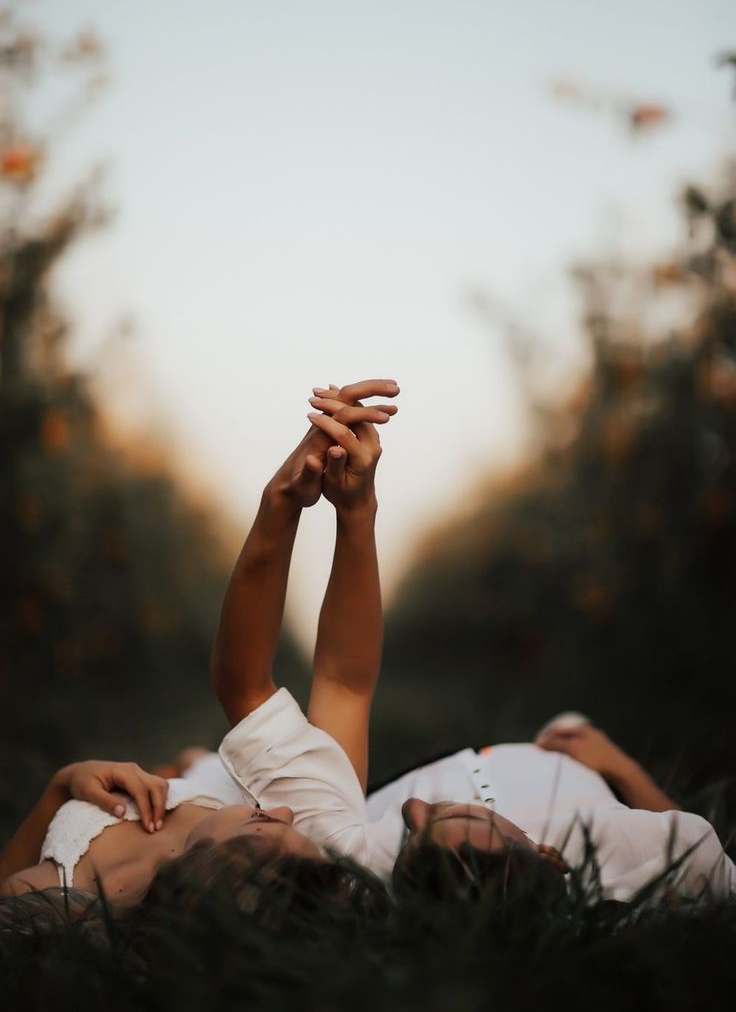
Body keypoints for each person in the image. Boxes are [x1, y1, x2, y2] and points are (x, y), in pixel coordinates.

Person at [213, 386, 736, 904]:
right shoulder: (646, 867)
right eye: (451, 814)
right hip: (574, 756)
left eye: (406, 837)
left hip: (443, 771)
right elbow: (705, 853)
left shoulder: (353, 862)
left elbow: (308, 687)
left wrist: (300, 503)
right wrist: (622, 770)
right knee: (572, 725)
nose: (413, 807)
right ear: (551, 858)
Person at [0, 379, 398, 909]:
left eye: (264, 820)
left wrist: (61, 787)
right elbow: (342, 683)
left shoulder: (69, 909)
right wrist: (344, 509)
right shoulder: (325, 848)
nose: (281, 813)